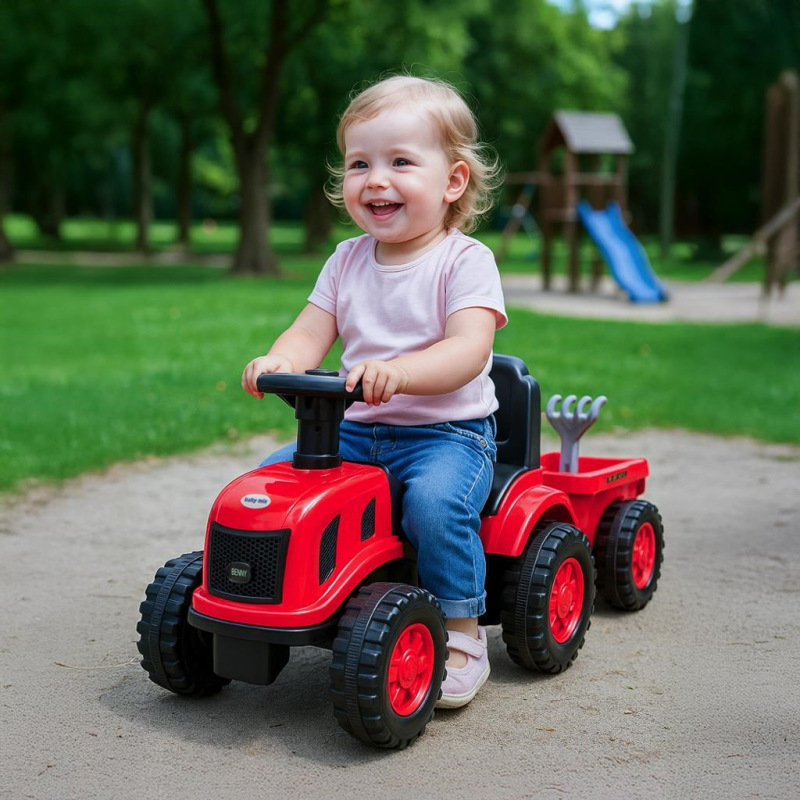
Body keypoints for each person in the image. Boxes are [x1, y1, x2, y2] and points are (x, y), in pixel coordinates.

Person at [241, 75, 507, 708]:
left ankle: (463, 633)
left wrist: (404, 371)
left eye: (400, 162)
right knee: (268, 486)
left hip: (448, 435)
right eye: (360, 163)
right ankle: (265, 593)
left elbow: (469, 351)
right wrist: (279, 359)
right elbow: (310, 331)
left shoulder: (463, 260)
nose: (375, 179)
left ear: (453, 182)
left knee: (436, 507)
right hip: (354, 431)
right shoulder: (347, 259)